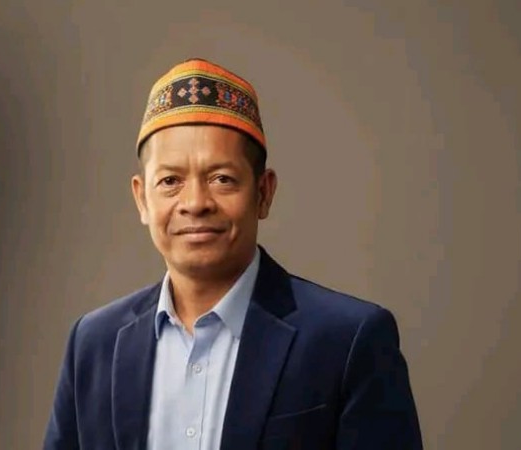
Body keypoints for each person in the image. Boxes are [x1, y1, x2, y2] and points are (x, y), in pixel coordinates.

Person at [43, 58, 423, 450]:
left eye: (222, 179)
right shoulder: (94, 343)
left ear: (264, 192)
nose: (195, 203)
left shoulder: (348, 340)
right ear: (142, 199)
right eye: (170, 181)